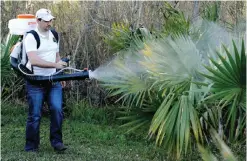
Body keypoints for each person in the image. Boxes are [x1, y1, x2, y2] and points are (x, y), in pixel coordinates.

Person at [24, 8, 67, 152]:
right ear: (38, 20)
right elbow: (34, 60)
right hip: (36, 82)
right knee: (35, 115)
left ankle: (57, 143)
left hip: (53, 80)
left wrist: (59, 73)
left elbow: (57, 56)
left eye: (51, 20)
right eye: (46, 21)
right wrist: (55, 65)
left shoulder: (54, 34)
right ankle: (31, 146)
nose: (49, 23)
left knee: (57, 109)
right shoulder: (31, 37)